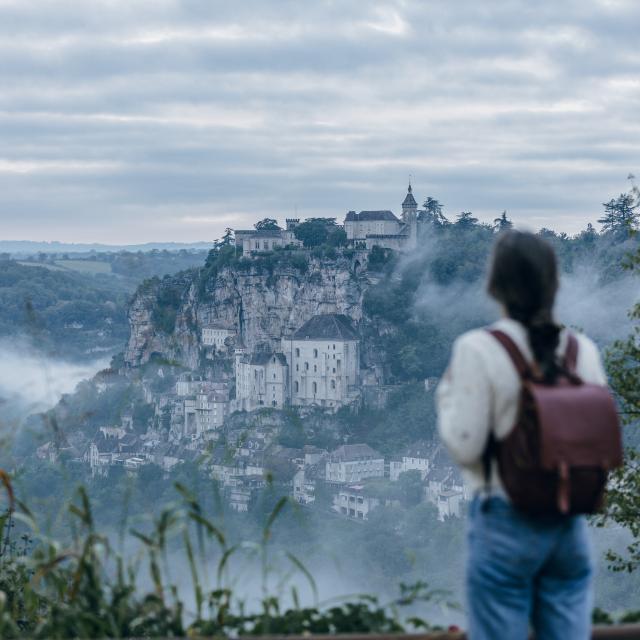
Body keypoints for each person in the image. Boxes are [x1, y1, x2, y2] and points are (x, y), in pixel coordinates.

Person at [436, 230, 608, 640]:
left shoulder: (479, 348)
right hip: (568, 521)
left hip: (506, 517)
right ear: (554, 283)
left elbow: (466, 444)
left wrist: (446, 396)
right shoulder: (581, 350)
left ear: (494, 285)